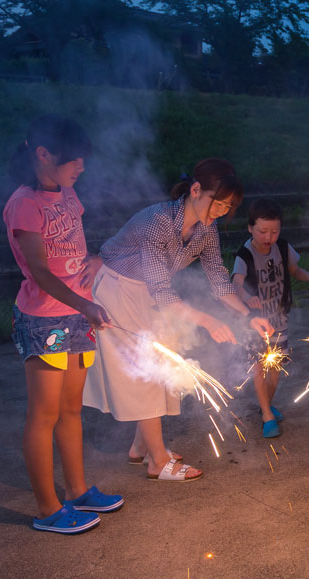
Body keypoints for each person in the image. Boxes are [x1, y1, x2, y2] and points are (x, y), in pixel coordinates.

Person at [83, 158, 273, 482]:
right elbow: (161, 291)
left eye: (229, 206)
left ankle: (140, 448)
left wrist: (249, 316)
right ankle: (157, 461)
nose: (222, 211)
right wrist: (208, 321)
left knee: (165, 364)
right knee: (147, 368)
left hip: (149, 294)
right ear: (196, 190)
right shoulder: (158, 220)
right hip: (118, 290)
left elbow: (218, 281)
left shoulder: (207, 229)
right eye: (219, 203)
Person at [3, 115, 123, 534]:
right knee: (44, 414)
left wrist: (91, 269)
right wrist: (84, 305)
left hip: (77, 314)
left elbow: (73, 247)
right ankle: (48, 510)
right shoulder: (24, 204)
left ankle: (78, 491)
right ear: (43, 155)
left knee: (72, 408)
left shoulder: (68, 193)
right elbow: (39, 271)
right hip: (44, 320)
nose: (82, 167)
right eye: (75, 160)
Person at [232, 198, 309, 438]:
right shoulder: (245, 254)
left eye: (274, 231)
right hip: (255, 322)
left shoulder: (283, 248)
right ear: (250, 228)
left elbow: (294, 270)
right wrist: (246, 298)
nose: (269, 237)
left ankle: (266, 405)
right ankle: (266, 414)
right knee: (258, 367)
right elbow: (236, 284)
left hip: (279, 318)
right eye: (263, 231)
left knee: (275, 368)